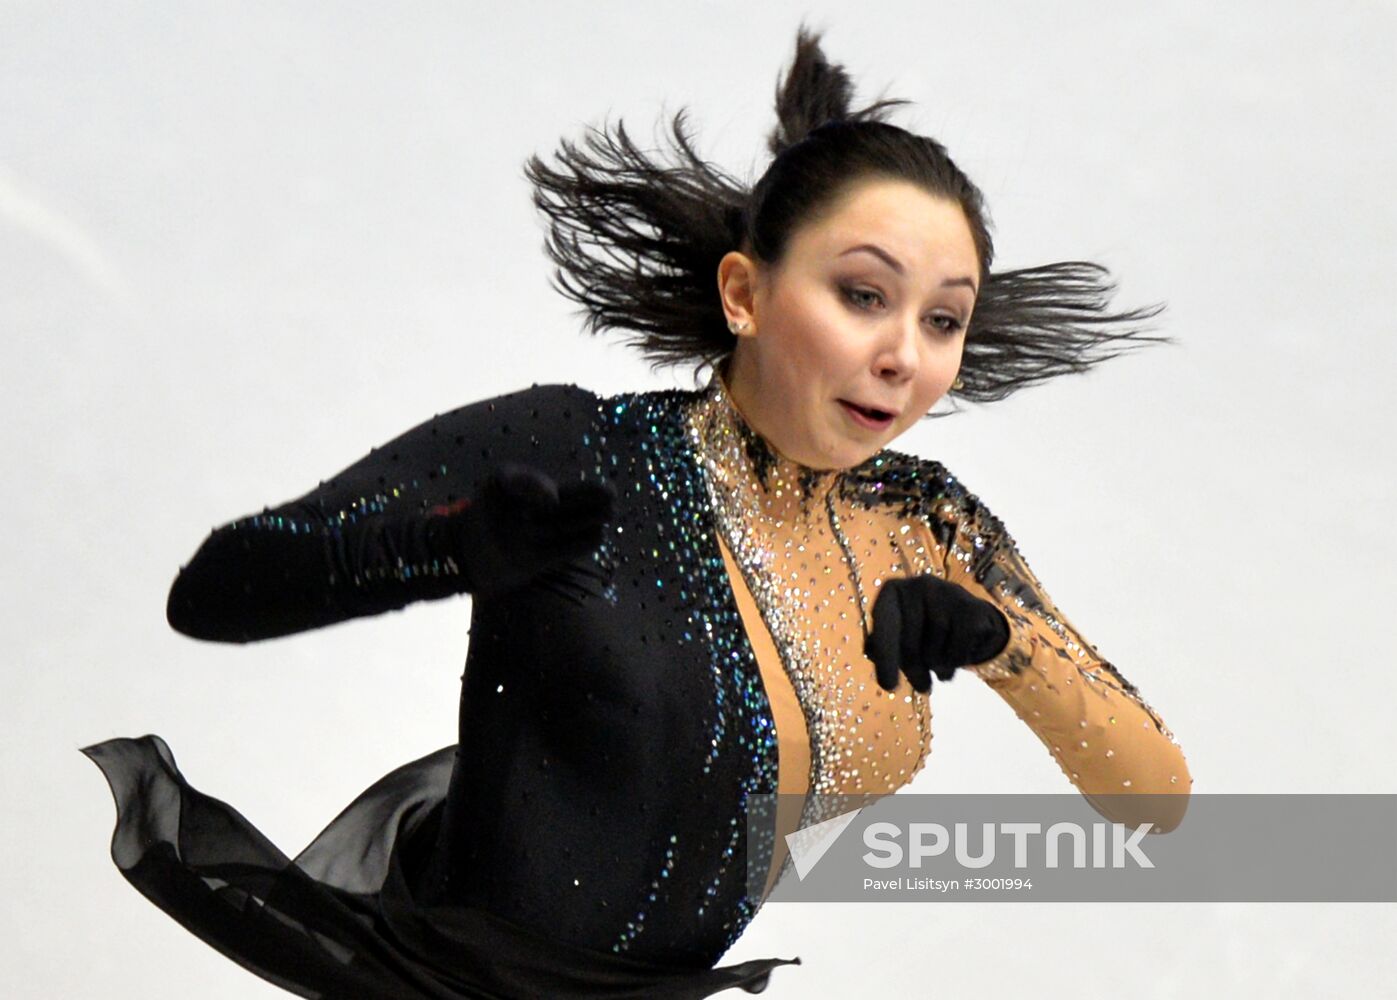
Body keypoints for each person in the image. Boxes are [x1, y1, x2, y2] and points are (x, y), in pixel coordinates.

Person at [81, 25, 1191, 1000]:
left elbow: (1153, 800)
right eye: (861, 295)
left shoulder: (927, 525)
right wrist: (441, 549)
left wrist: (1002, 640)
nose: (902, 356)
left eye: (943, 319)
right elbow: (215, 592)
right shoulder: (581, 450)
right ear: (745, 294)